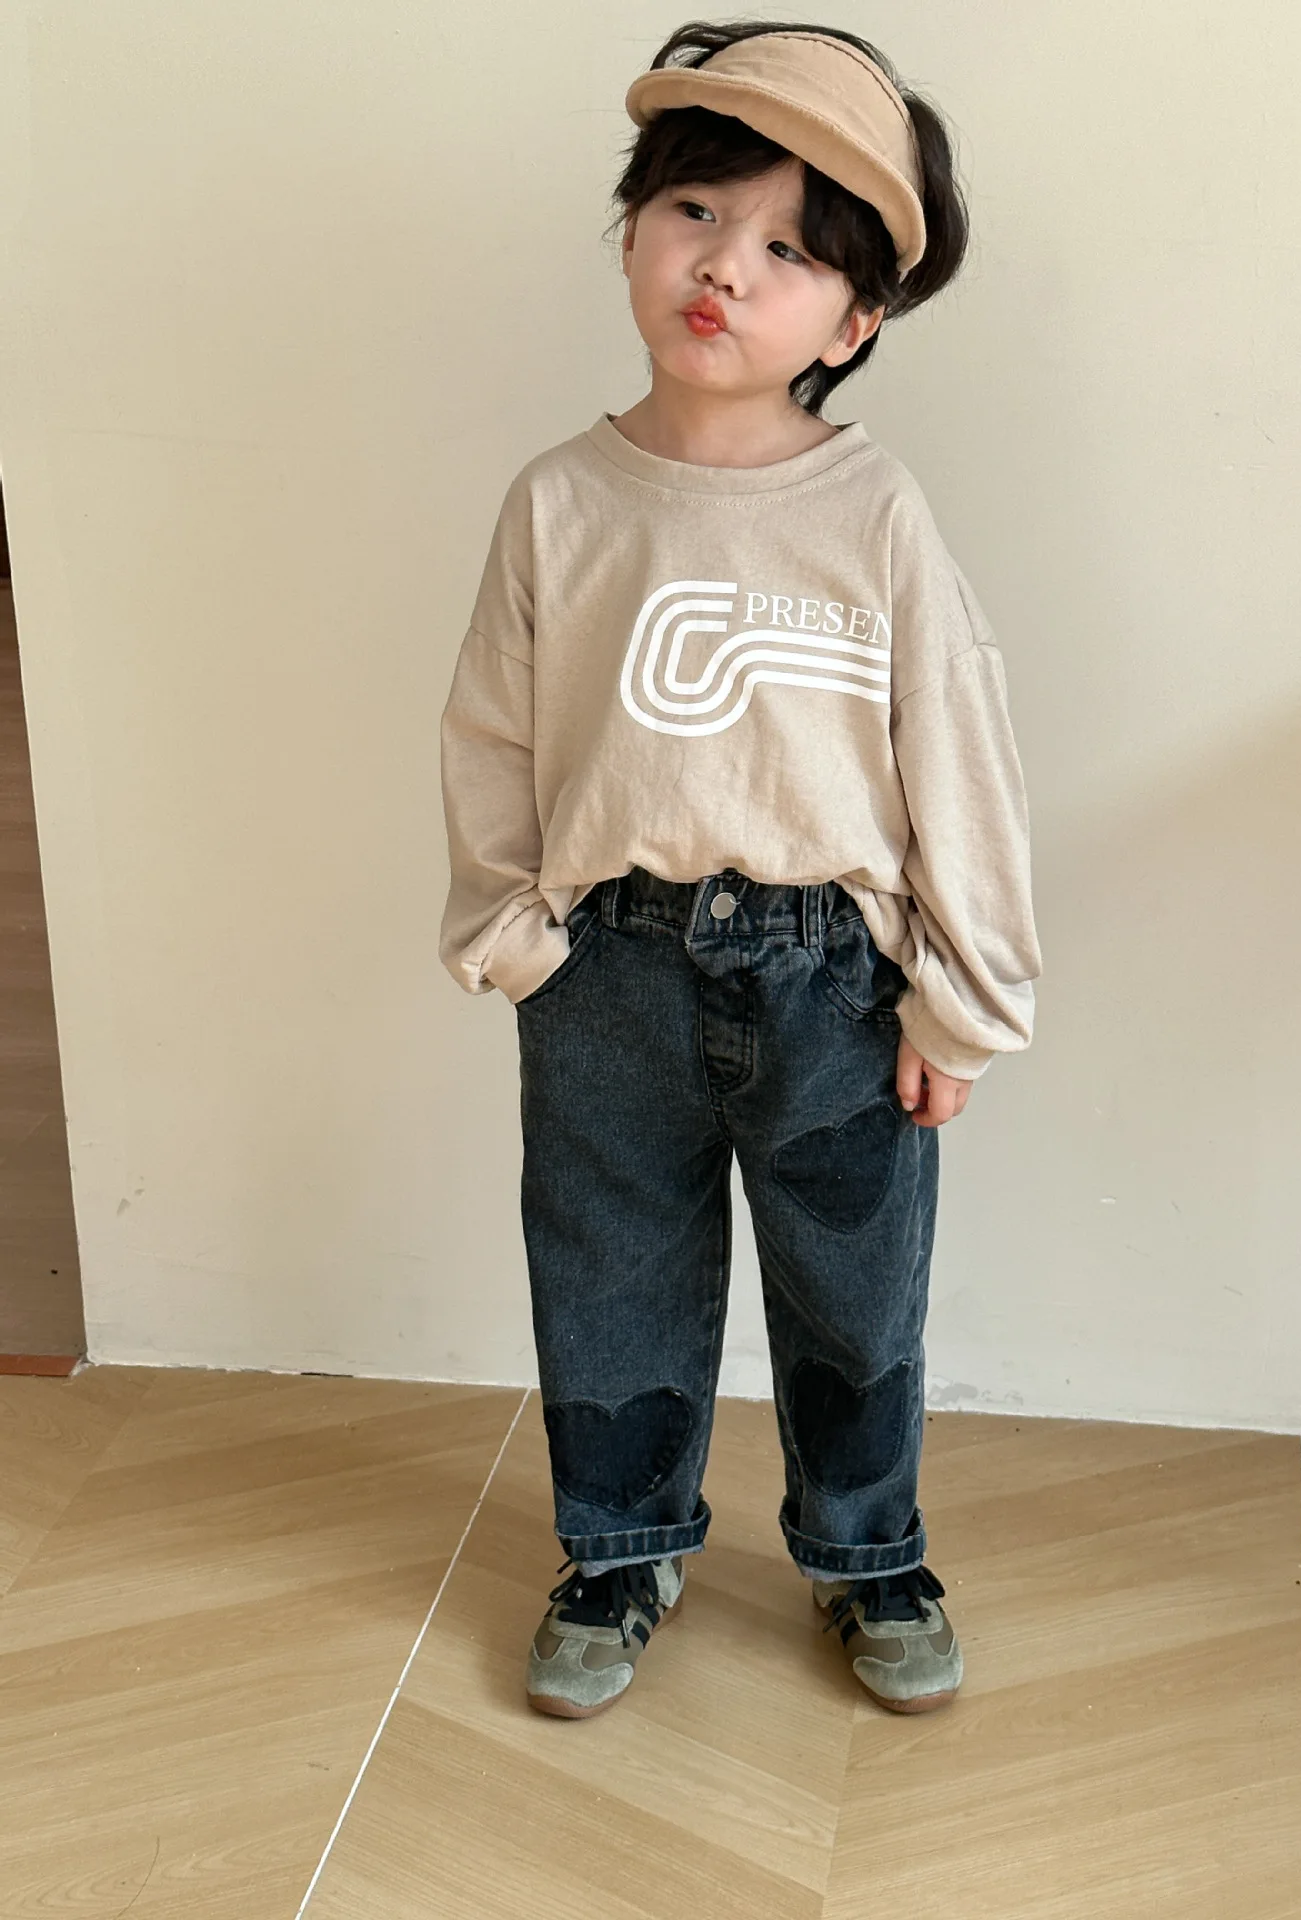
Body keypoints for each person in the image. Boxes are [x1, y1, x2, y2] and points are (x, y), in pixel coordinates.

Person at [438, 20, 1041, 1720]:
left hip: (836, 975)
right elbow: (489, 729)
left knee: (856, 1285)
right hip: (606, 968)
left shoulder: (874, 511)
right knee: (607, 1267)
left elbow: (957, 750)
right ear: (633, 228)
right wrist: (513, 936)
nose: (726, 266)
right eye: (697, 211)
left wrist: (964, 1002)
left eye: (788, 249)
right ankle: (617, 1548)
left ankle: (869, 1551)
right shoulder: (560, 502)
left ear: (853, 323)